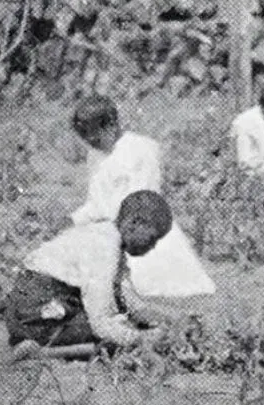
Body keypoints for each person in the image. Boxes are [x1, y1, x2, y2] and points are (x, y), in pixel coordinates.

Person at [70, 96, 215, 299]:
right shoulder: (95, 155)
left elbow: (143, 198)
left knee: (130, 278)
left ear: (111, 125)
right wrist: (76, 219)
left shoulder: (142, 149)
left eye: (95, 138)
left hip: (140, 226)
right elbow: (96, 201)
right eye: (87, 140)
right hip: (105, 223)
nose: (92, 144)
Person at [4, 190, 175, 353]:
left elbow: (128, 298)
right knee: (114, 336)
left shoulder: (109, 238)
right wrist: (139, 338)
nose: (152, 247)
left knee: (123, 322)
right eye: (152, 238)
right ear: (134, 223)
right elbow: (101, 321)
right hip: (35, 312)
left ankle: (43, 341)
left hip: (35, 304)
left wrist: (165, 319)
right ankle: (41, 352)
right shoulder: (103, 248)